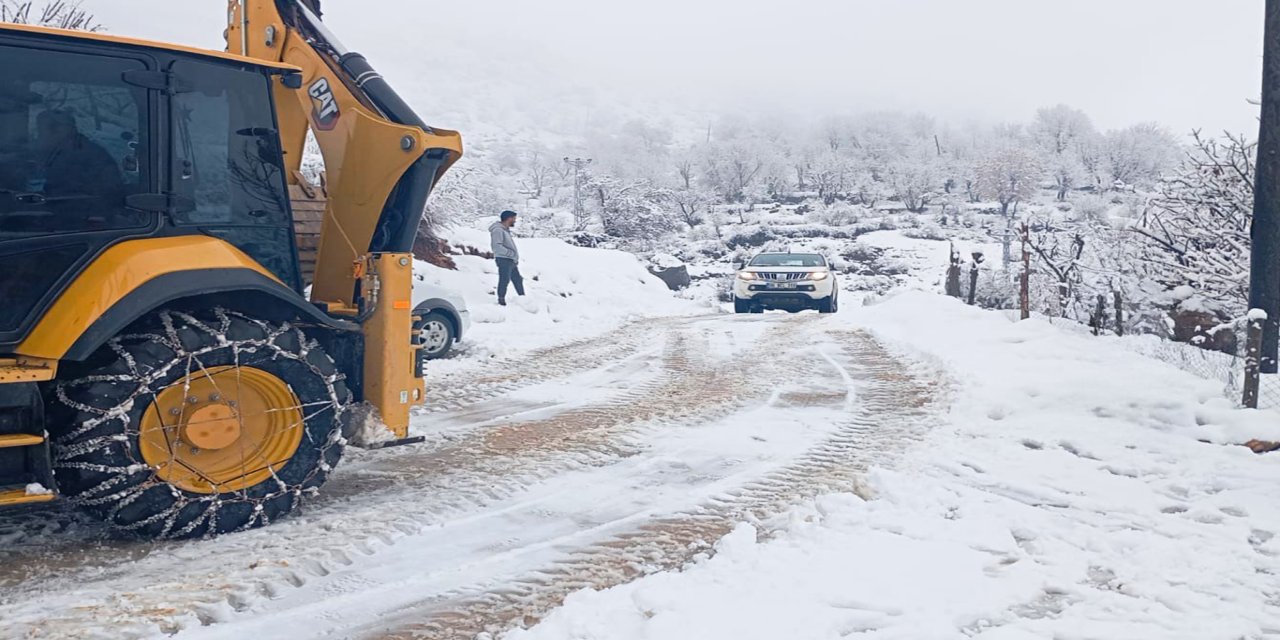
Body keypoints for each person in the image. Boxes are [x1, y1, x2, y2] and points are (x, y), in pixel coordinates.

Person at [33, 109, 121, 197]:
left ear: (67, 129)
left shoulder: (94, 155)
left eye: (45, 129)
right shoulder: (50, 154)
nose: (41, 135)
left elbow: (109, 190)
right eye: (40, 130)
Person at [489, 209, 524, 305]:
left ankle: (523, 299)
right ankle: (501, 300)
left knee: (518, 279)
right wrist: (510, 254)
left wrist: (514, 257)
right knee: (504, 280)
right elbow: (496, 246)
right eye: (513, 218)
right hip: (504, 259)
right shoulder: (498, 230)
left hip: (510, 260)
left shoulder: (505, 230)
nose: (515, 221)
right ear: (508, 218)